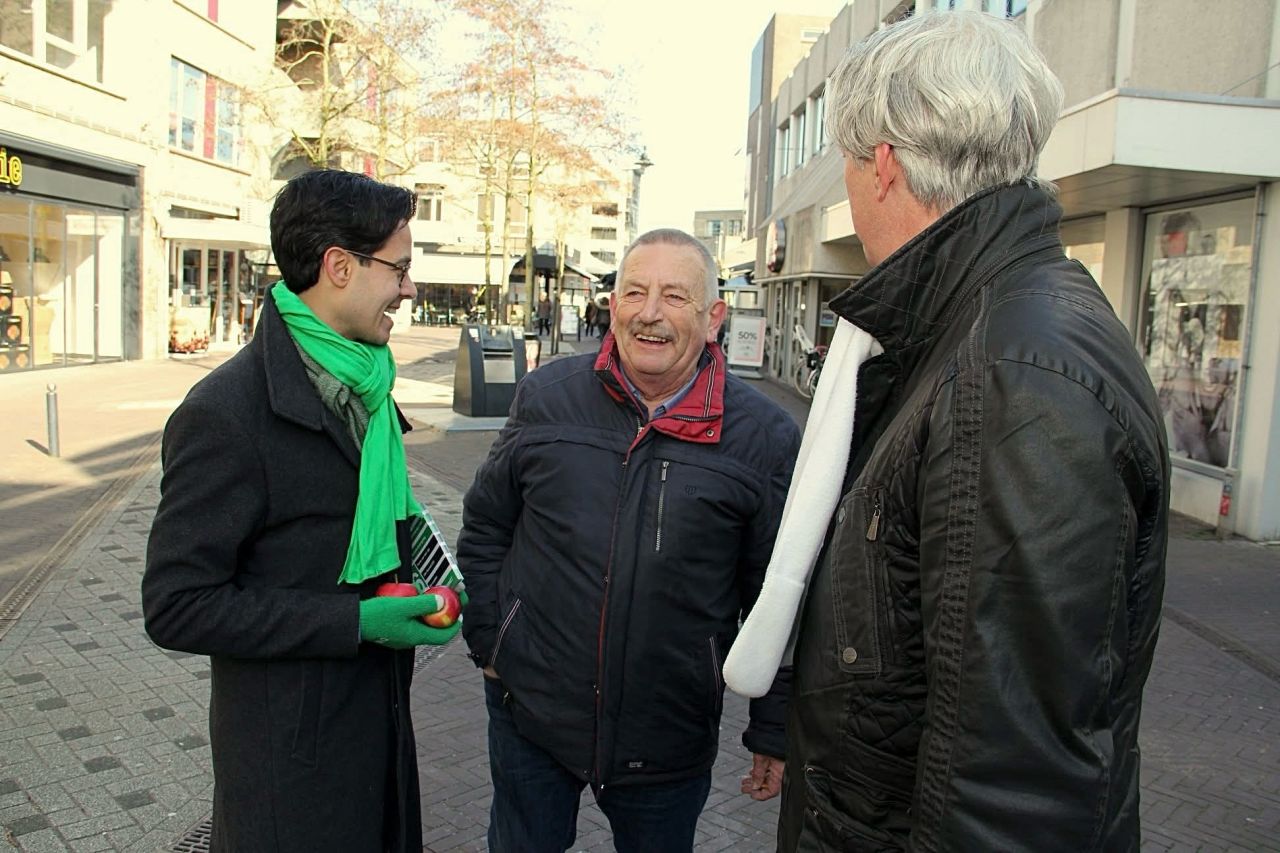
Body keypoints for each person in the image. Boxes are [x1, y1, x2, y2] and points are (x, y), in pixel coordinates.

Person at [721, 12, 1170, 851]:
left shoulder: (1011, 369)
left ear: (883, 164)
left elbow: (1015, 781)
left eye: (848, 162)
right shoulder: (974, 334)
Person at [142, 169, 459, 853]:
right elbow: (176, 604)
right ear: (339, 267)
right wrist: (356, 621)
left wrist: (424, 580)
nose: (409, 288)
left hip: (377, 736)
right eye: (399, 269)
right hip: (290, 775)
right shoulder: (225, 414)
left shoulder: (366, 386)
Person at [458, 228, 801, 853]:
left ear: (714, 316)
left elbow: (778, 600)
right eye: (635, 292)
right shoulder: (546, 398)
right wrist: (490, 638)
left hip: (667, 735)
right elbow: (485, 526)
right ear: (612, 304)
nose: (649, 313)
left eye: (674, 296)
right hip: (531, 713)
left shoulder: (767, 438)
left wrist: (772, 728)